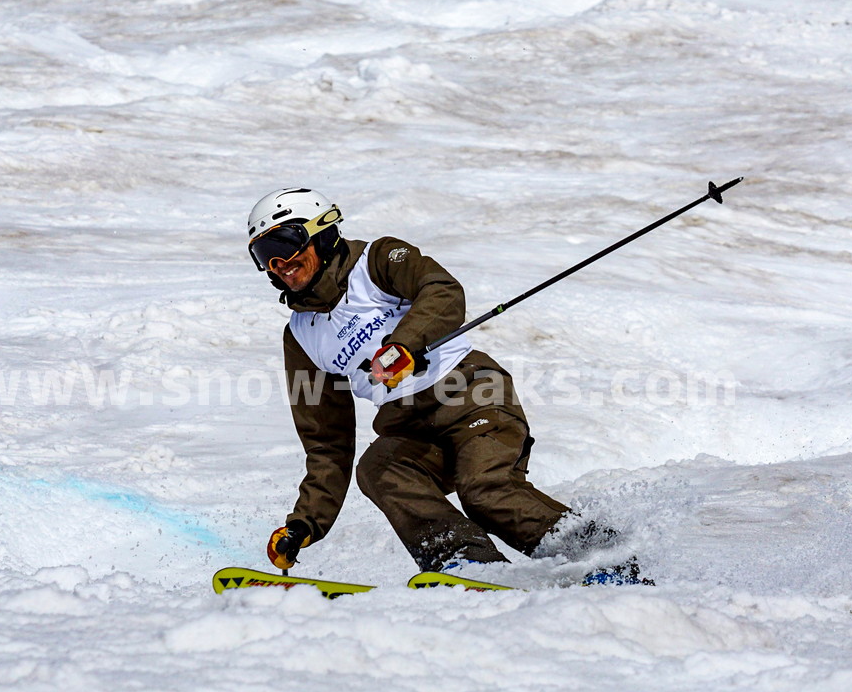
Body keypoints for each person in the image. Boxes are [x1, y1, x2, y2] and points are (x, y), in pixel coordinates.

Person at [249, 187, 638, 580]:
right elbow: (327, 443)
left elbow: (441, 290)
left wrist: (405, 344)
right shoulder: (300, 336)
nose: (279, 263)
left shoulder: (378, 260)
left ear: (322, 232)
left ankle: (607, 558)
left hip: (472, 396)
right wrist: (305, 523)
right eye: (264, 256)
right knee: (378, 467)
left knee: (485, 492)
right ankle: (470, 565)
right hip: (410, 427)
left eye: (285, 243)